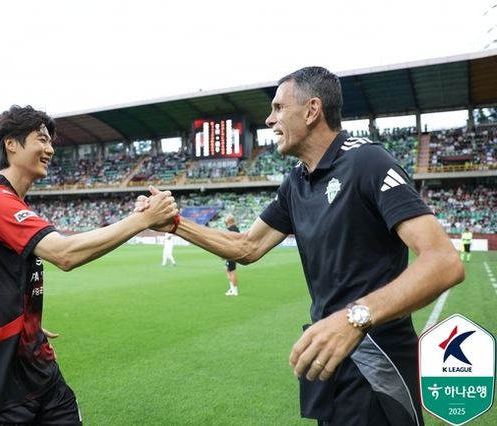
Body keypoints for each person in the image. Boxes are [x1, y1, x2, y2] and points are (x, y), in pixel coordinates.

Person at [137, 67, 464, 425]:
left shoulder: (367, 162)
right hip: (327, 354)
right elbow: (247, 246)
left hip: (377, 359)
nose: (269, 119)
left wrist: (354, 318)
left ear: (311, 110)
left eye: (279, 108)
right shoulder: (295, 182)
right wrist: (175, 224)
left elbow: (444, 261)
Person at [0, 105, 177, 425]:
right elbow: (64, 253)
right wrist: (143, 220)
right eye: (41, 139)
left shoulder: (8, 202)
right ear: (11, 144)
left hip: (36, 368)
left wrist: (22, 320)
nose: (50, 149)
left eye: (50, 142)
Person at [223, 214, 240, 296]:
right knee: (227, 269)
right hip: (234, 252)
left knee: (232, 271)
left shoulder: (230, 230)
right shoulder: (236, 229)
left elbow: (227, 243)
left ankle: (234, 290)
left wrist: (224, 253)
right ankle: (232, 288)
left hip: (231, 253)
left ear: (229, 220)